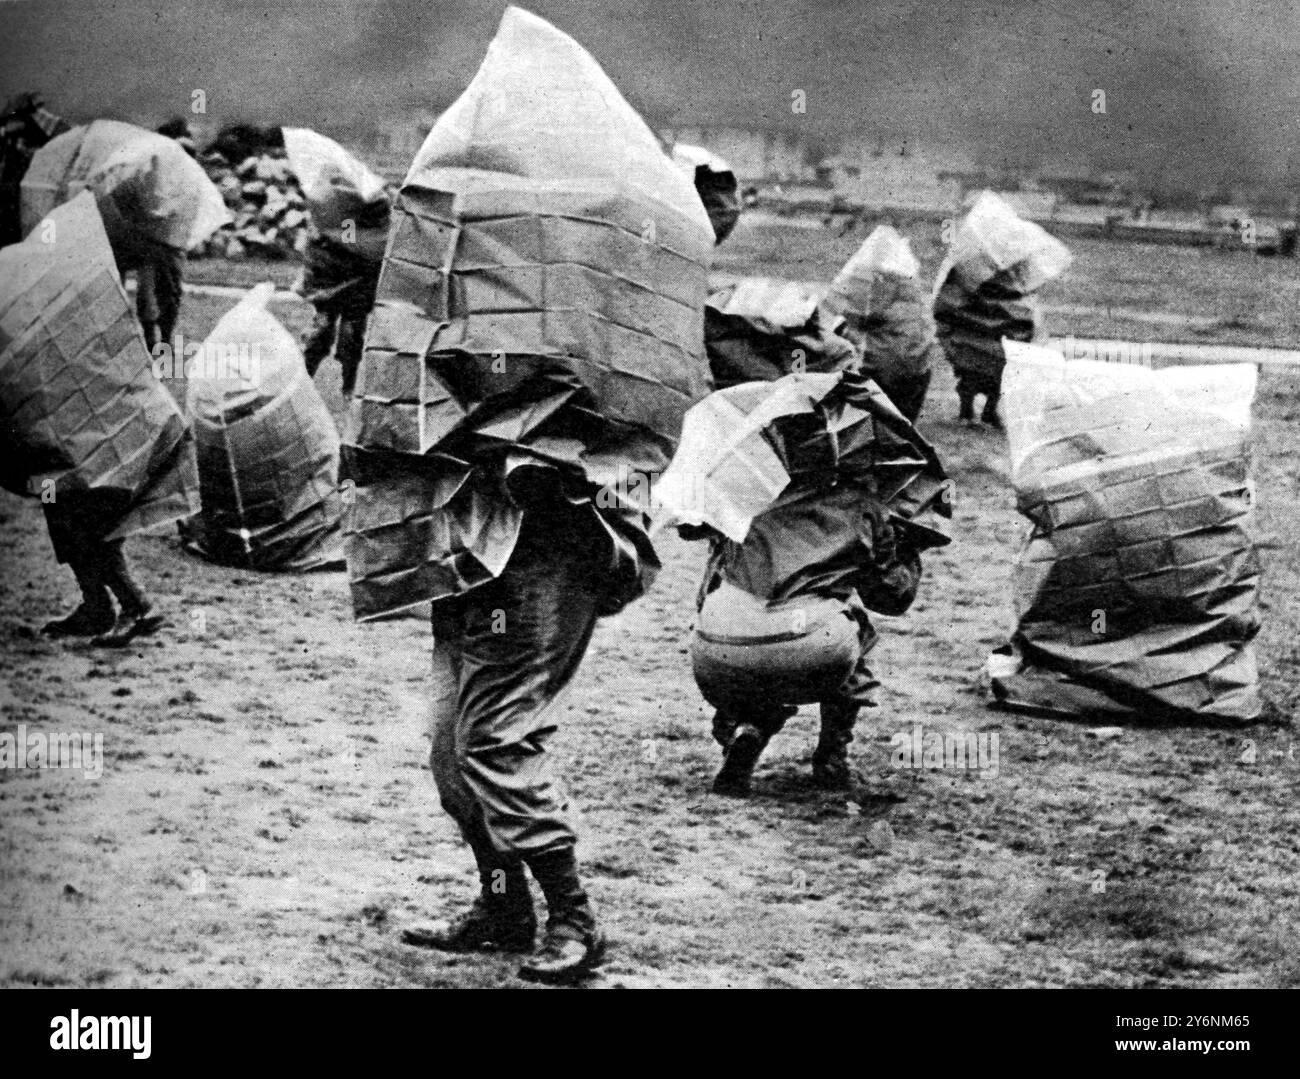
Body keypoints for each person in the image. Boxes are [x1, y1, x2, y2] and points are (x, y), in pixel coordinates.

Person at [680, 370, 950, 795]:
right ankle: (832, 754)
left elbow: (699, 555)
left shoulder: (742, 494)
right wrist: (910, 547)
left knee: (763, 622)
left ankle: (745, 729)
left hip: (717, 650)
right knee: (851, 628)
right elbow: (892, 597)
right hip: (808, 647)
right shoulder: (862, 506)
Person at [298, 191, 389, 396]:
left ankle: (348, 386)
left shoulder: (373, 207)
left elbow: (365, 244)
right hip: (330, 280)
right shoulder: (327, 211)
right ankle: (304, 381)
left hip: (359, 282)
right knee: (320, 332)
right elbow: (324, 247)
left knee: (351, 335)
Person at [42, 498, 163, 646]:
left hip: (91, 479)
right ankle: (96, 608)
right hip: (49, 480)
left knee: (99, 523)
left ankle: (135, 606)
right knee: (59, 518)